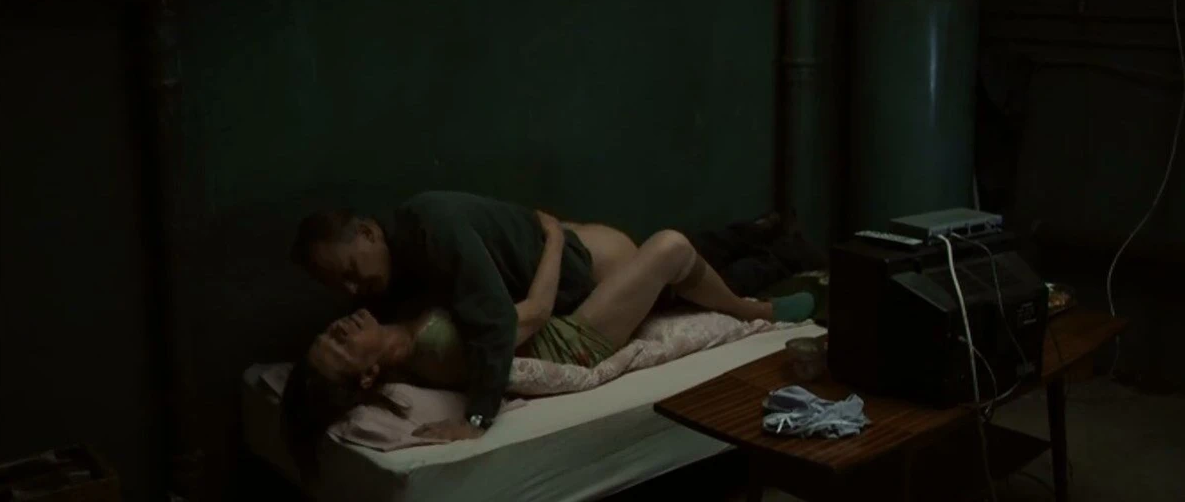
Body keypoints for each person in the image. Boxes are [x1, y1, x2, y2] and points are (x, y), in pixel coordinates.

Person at [281, 203, 814, 476]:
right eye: (340, 345)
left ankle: (761, 241)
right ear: (369, 377)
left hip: (565, 315)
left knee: (671, 273)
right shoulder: (433, 349)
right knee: (670, 249)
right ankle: (756, 309)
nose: (340, 323)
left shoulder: (397, 313)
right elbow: (532, 317)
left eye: (328, 332)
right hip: (573, 340)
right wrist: (555, 240)